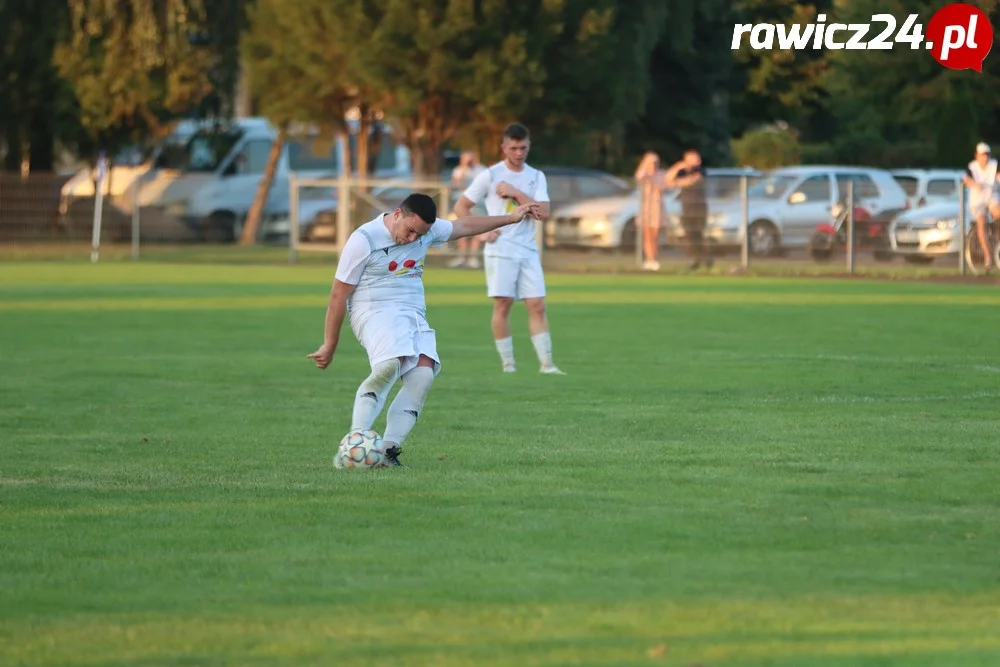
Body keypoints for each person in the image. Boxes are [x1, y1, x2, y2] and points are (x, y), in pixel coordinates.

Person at [306, 193, 541, 466]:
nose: (412, 239)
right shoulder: (363, 240)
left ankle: (387, 452)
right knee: (389, 365)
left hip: (412, 313)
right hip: (372, 311)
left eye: (420, 235)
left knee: (422, 375)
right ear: (397, 214)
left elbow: (463, 226)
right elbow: (338, 295)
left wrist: (511, 218)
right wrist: (329, 344)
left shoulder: (426, 232)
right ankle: (356, 442)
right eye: (410, 231)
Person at [452, 123, 565, 375]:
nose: (518, 152)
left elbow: (543, 212)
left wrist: (515, 193)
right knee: (503, 305)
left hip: (527, 250)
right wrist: (482, 233)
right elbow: (461, 206)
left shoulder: (536, 176)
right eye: (513, 148)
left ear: (529, 146)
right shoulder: (490, 175)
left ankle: (547, 365)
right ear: (504, 148)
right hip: (500, 250)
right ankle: (508, 365)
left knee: (537, 305)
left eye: (523, 147)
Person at [665, 150, 712, 270]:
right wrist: (678, 166)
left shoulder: (701, 171)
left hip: (699, 207)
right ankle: (695, 258)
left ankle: (706, 258)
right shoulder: (682, 171)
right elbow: (668, 180)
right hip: (686, 208)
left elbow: (691, 181)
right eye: (694, 158)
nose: (698, 161)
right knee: (689, 234)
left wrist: (678, 183)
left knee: (699, 233)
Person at [963, 142, 1000, 272]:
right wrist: (974, 184)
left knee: (997, 212)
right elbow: (966, 179)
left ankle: (997, 239)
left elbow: (998, 176)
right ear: (977, 156)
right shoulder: (972, 167)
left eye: (987, 155)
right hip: (977, 200)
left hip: (991, 196)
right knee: (981, 222)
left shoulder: (993, 165)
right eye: (982, 155)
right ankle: (988, 256)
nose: (985, 157)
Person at [448, 151, 488, 269]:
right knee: (462, 231)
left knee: (477, 232)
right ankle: (462, 257)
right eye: (465, 160)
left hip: (478, 205)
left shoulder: (481, 169)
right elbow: (457, 183)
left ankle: (473, 258)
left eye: (470, 159)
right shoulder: (458, 170)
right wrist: (464, 169)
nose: (468, 162)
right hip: (461, 204)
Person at [634, 151, 664, 271]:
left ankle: (654, 258)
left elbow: (659, 189)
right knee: (647, 234)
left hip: (656, 206)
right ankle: (649, 259)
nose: (653, 165)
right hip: (645, 207)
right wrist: (646, 173)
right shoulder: (642, 173)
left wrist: (651, 179)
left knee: (655, 235)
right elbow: (639, 177)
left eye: (655, 162)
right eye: (651, 162)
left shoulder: (660, 175)